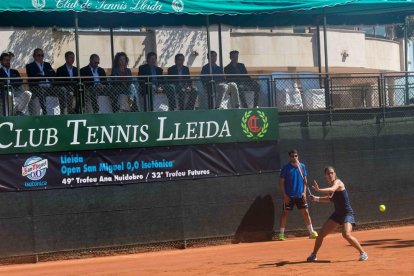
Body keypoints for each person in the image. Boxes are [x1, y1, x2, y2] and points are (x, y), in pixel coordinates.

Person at [306, 166, 368, 262]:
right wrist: (315, 198)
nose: (330, 175)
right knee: (321, 235)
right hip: (337, 215)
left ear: (335, 173)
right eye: (328, 173)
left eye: (332, 173)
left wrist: (318, 190)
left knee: (346, 234)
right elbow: (329, 199)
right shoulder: (331, 187)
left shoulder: (338, 183)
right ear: (325, 176)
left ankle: (363, 253)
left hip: (347, 214)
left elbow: (332, 189)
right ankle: (313, 255)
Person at [277, 149, 318, 241]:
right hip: (289, 196)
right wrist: (285, 195)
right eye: (292, 156)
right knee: (285, 213)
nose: (294, 158)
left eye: (296, 156)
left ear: (298, 156)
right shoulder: (286, 168)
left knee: (306, 213)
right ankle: (281, 234)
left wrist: (304, 193)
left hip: (300, 195)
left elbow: (305, 181)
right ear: (289, 157)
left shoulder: (302, 166)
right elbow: (281, 182)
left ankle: (311, 232)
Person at [25, 48, 56, 115]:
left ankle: (64, 112)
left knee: (62, 90)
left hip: (49, 86)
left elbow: (53, 74)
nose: (40, 57)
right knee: (41, 91)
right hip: (37, 87)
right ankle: (45, 111)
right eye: (38, 55)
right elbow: (32, 77)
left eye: (42, 55)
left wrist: (41, 76)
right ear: (34, 56)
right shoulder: (30, 66)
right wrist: (45, 76)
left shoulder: (47, 65)